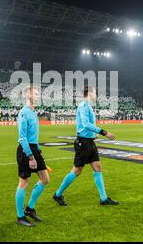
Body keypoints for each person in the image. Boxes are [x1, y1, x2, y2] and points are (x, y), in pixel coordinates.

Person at [53, 86, 119, 206]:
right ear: (89, 93)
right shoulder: (83, 106)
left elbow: (87, 126)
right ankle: (57, 194)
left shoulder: (88, 106)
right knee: (77, 170)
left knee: (97, 167)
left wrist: (93, 135)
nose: (96, 95)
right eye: (95, 93)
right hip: (83, 143)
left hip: (89, 142)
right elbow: (85, 124)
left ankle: (103, 199)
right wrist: (104, 132)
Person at [15, 86, 50, 227]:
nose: (38, 95)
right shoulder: (23, 112)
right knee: (24, 182)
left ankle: (30, 209)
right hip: (25, 150)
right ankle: (20, 216)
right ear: (28, 95)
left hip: (34, 148)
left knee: (45, 179)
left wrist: (38, 153)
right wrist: (30, 157)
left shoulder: (33, 112)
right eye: (35, 93)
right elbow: (22, 138)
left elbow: (34, 137)